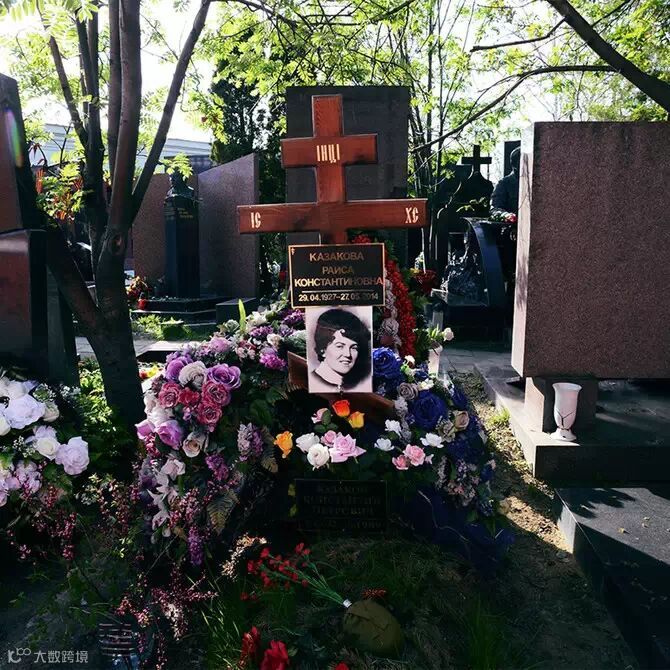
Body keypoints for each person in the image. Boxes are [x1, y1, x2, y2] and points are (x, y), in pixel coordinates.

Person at [310, 309, 371, 392]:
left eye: (354, 348)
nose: (348, 354)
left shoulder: (356, 385)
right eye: (340, 346)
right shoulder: (311, 382)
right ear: (323, 349)